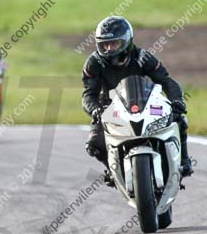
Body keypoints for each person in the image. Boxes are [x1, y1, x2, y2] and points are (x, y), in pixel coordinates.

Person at [82, 16, 193, 182]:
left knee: (179, 118)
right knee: (94, 144)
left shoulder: (142, 57)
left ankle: (184, 161)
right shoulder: (94, 63)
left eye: (114, 44)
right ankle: (113, 171)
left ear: (126, 42)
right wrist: (95, 109)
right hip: (110, 109)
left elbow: (166, 81)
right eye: (105, 45)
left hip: (144, 103)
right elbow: (89, 94)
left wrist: (177, 100)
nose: (109, 49)